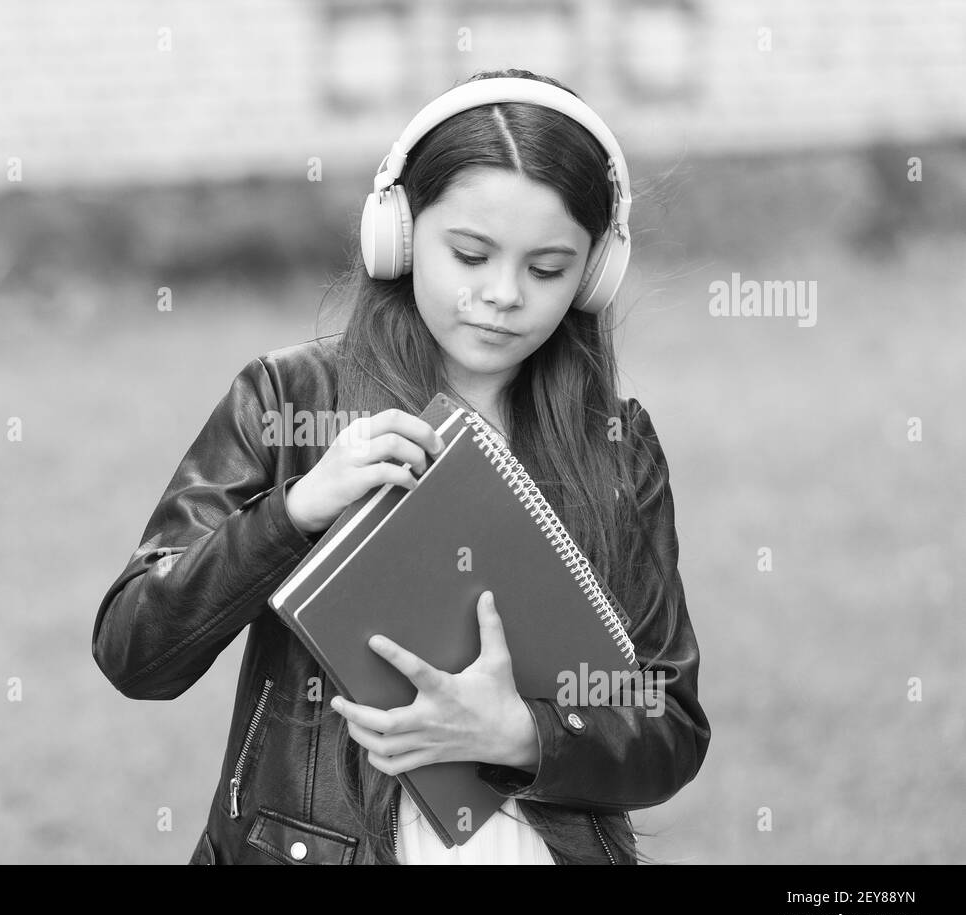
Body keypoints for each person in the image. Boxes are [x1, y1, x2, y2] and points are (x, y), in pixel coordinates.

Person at [92, 67, 711, 864]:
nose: (502, 294)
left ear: (596, 271)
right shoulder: (290, 397)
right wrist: (294, 512)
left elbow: (669, 723)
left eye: (548, 269)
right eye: (469, 253)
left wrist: (523, 734)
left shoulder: (616, 444)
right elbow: (136, 651)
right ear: (400, 231)